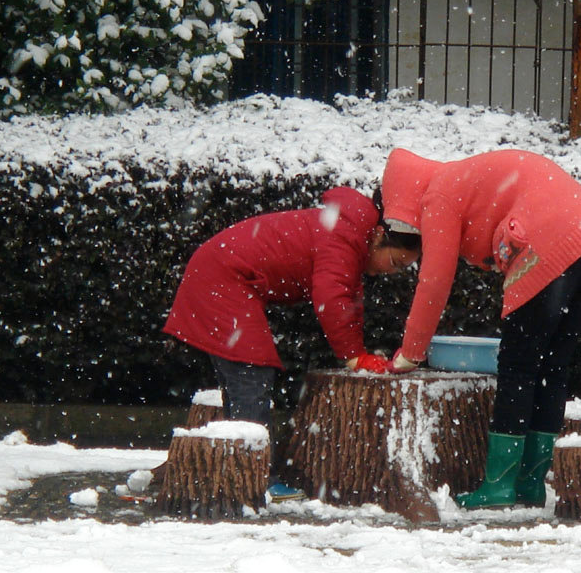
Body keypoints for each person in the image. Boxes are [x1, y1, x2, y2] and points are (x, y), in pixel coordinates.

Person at [381, 148, 581, 509]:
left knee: (518, 367)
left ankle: (498, 486)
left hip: (550, 241)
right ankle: (531, 483)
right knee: (553, 366)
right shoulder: (464, 178)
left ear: (404, 197)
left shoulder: (438, 194)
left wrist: (411, 352)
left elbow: (434, 281)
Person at [164, 186, 420, 501]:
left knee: (244, 379)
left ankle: (236, 469)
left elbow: (348, 299)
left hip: (221, 273)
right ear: (379, 236)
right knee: (251, 372)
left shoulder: (350, 235)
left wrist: (358, 353)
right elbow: (332, 297)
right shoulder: (345, 238)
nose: (390, 272)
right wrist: (354, 356)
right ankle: (255, 477)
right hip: (224, 278)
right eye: (394, 262)